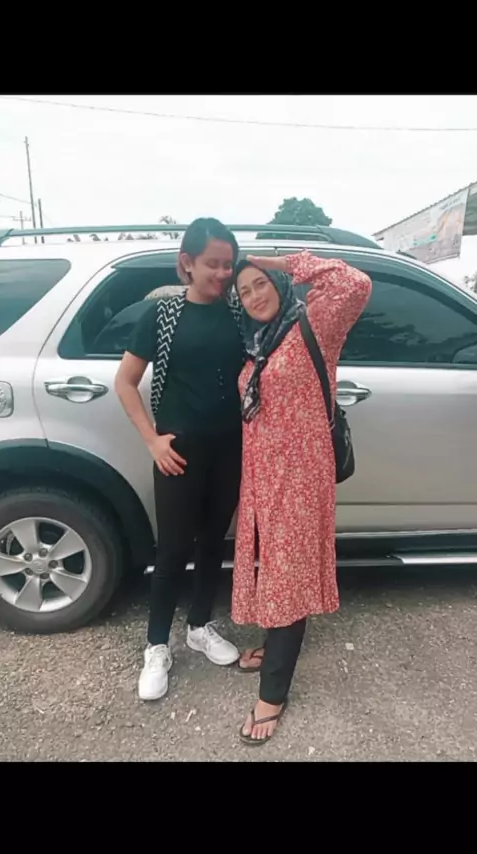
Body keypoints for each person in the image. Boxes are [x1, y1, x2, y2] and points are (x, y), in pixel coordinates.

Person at [232, 249, 372, 744]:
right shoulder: (256, 343)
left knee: (287, 576)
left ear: (278, 283)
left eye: (261, 283)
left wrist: (280, 259)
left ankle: (273, 694)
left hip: (299, 477)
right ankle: (275, 645)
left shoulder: (314, 324)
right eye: (244, 291)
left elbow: (354, 283)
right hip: (262, 479)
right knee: (274, 569)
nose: (254, 296)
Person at [115, 218, 244, 701]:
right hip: (179, 454)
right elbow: (125, 382)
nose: (223, 273)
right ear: (186, 263)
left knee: (213, 542)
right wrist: (152, 441)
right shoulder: (163, 314)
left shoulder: (240, 313)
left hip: (230, 449)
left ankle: (199, 627)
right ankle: (156, 646)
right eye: (213, 264)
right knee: (171, 551)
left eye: (229, 264)